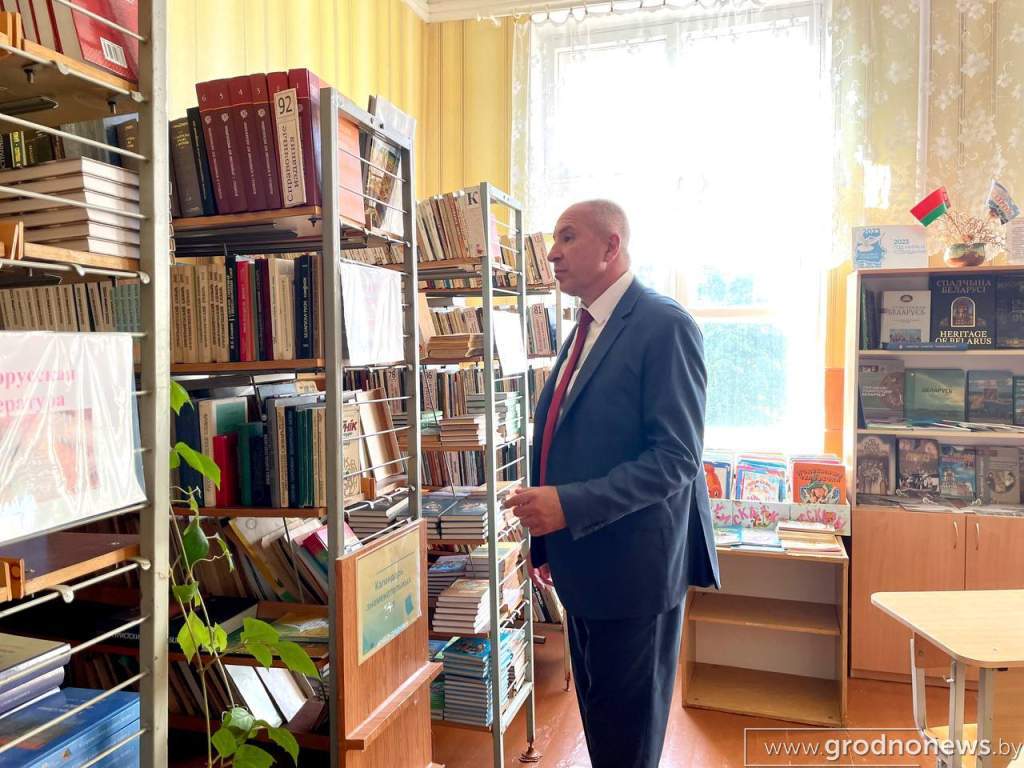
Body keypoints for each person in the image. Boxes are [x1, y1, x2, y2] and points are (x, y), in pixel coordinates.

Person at [502, 200, 719, 768]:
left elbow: (675, 459)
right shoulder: (586, 328)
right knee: (602, 723)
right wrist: (548, 543)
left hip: (633, 574)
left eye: (567, 237)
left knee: (628, 736)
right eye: (554, 240)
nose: (552, 253)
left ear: (611, 246)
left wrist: (567, 507)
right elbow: (568, 435)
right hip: (584, 563)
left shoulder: (664, 325)